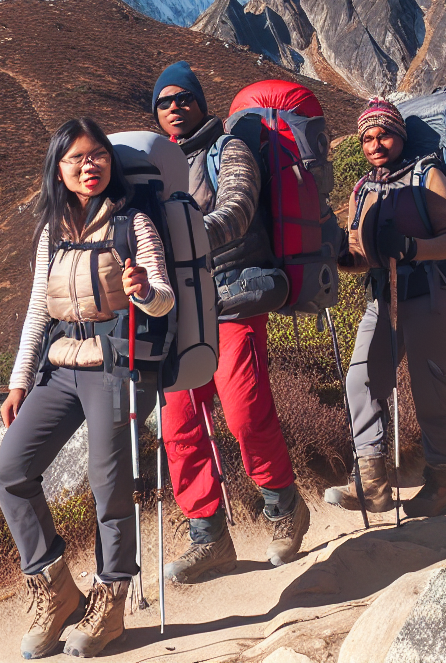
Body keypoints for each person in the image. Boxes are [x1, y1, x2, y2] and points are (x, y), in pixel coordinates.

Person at [0, 117, 175, 659]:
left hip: (114, 367)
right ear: (59, 169)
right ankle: (55, 591)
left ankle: (111, 600)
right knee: (10, 472)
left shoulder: (133, 223)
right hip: (59, 367)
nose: (89, 166)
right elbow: (35, 312)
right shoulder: (52, 229)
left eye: (97, 155)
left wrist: (142, 290)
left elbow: (165, 298)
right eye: (76, 159)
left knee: (108, 485)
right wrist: (18, 382)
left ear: (109, 162)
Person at [147, 61, 310, 583]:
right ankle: (208, 536)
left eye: (183, 97)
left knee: (243, 413)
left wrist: (185, 242)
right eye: (164, 101)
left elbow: (239, 208)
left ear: (200, 101)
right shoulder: (156, 169)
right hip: (177, 311)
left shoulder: (229, 151)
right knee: (178, 426)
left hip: (232, 297)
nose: (175, 107)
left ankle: (284, 507)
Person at [324, 98, 446, 517]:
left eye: (383, 134)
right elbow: (361, 253)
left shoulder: (429, 174)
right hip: (382, 299)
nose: (375, 144)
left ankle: (441, 485)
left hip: (431, 294)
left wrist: (411, 248)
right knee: (361, 380)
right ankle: (371, 483)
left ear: (399, 136)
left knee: (431, 390)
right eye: (367, 138)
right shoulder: (362, 189)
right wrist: (341, 256)